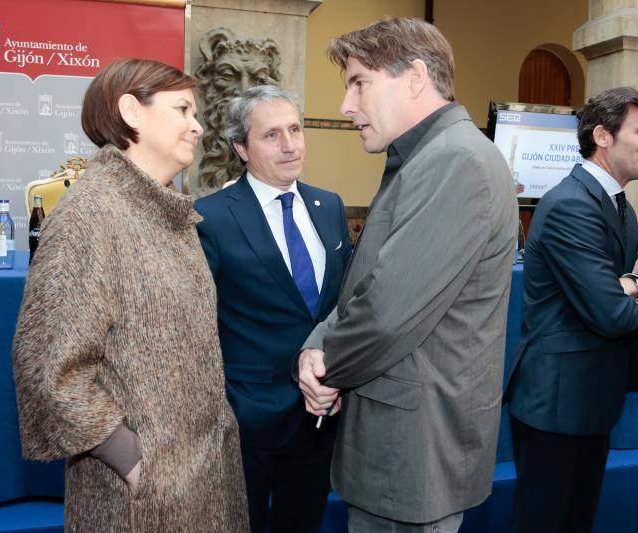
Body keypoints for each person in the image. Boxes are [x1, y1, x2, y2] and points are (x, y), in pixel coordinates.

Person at [296, 18, 517, 532]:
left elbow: (387, 314)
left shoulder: (454, 161)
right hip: (404, 444)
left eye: (359, 83)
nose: (347, 106)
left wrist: (323, 364)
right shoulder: (428, 157)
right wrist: (317, 345)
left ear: (415, 77)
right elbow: (369, 285)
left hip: (414, 451)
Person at [11, 58, 249, 532]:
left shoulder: (165, 211)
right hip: (141, 500)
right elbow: (47, 368)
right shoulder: (89, 217)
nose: (198, 127)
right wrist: (134, 462)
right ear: (131, 112)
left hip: (203, 479)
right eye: (182, 109)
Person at [194, 85, 351, 533]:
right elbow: (196, 325)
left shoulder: (329, 206)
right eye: (272, 135)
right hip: (247, 422)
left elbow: (342, 303)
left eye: (296, 130)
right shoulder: (211, 217)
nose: (290, 145)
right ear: (241, 148)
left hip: (321, 414)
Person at [504, 87, 638, 533]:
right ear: (603, 135)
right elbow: (614, 315)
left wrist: (629, 285)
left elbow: (621, 294)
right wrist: (628, 287)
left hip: (591, 400)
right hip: (557, 405)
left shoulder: (619, 205)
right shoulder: (571, 206)